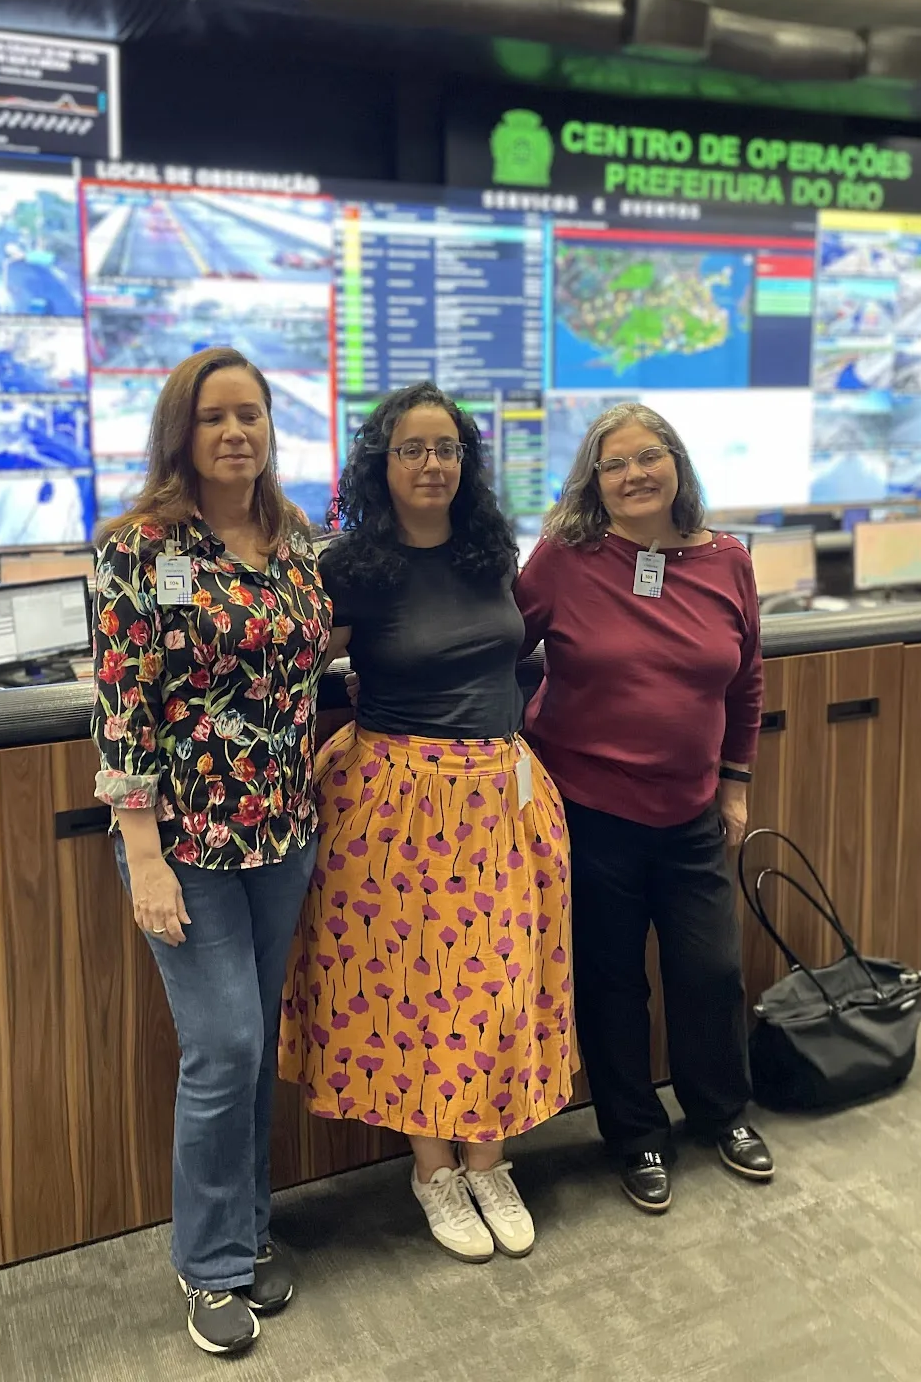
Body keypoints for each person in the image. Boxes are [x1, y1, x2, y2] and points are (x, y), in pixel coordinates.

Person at [280, 381, 574, 1264]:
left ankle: (490, 1160)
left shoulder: (491, 552)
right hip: (395, 804)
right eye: (411, 448)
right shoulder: (349, 567)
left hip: (500, 795)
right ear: (381, 462)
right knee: (411, 988)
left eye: (446, 448)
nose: (432, 463)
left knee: (499, 982)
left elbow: (515, 649)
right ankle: (433, 1169)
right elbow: (286, 668)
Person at [91, 347, 331, 1357]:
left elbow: (310, 665)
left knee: (257, 1041)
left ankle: (245, 1228)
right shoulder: (140, 545)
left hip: (281, 835)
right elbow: (122, 704)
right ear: (180, 432)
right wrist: (142, 855)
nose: (236, 432)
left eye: (252, 415)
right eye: (214, 416)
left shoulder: (294, 538)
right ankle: (209, 1264)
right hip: (183, 842)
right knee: (224, 1045)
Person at [514, 401, 771, 1215]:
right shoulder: (564, 559)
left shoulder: (727, 559)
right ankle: (635, 1136)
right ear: (594, 480)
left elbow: (746, 679)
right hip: (590, 811)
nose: (634, 475)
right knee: (611, 981)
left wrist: (736, 784)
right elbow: (498, 643)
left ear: (677, 464)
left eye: (648, 456)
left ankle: (721, 1114)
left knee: (711, 972)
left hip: (691, 812)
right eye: (614, 464)